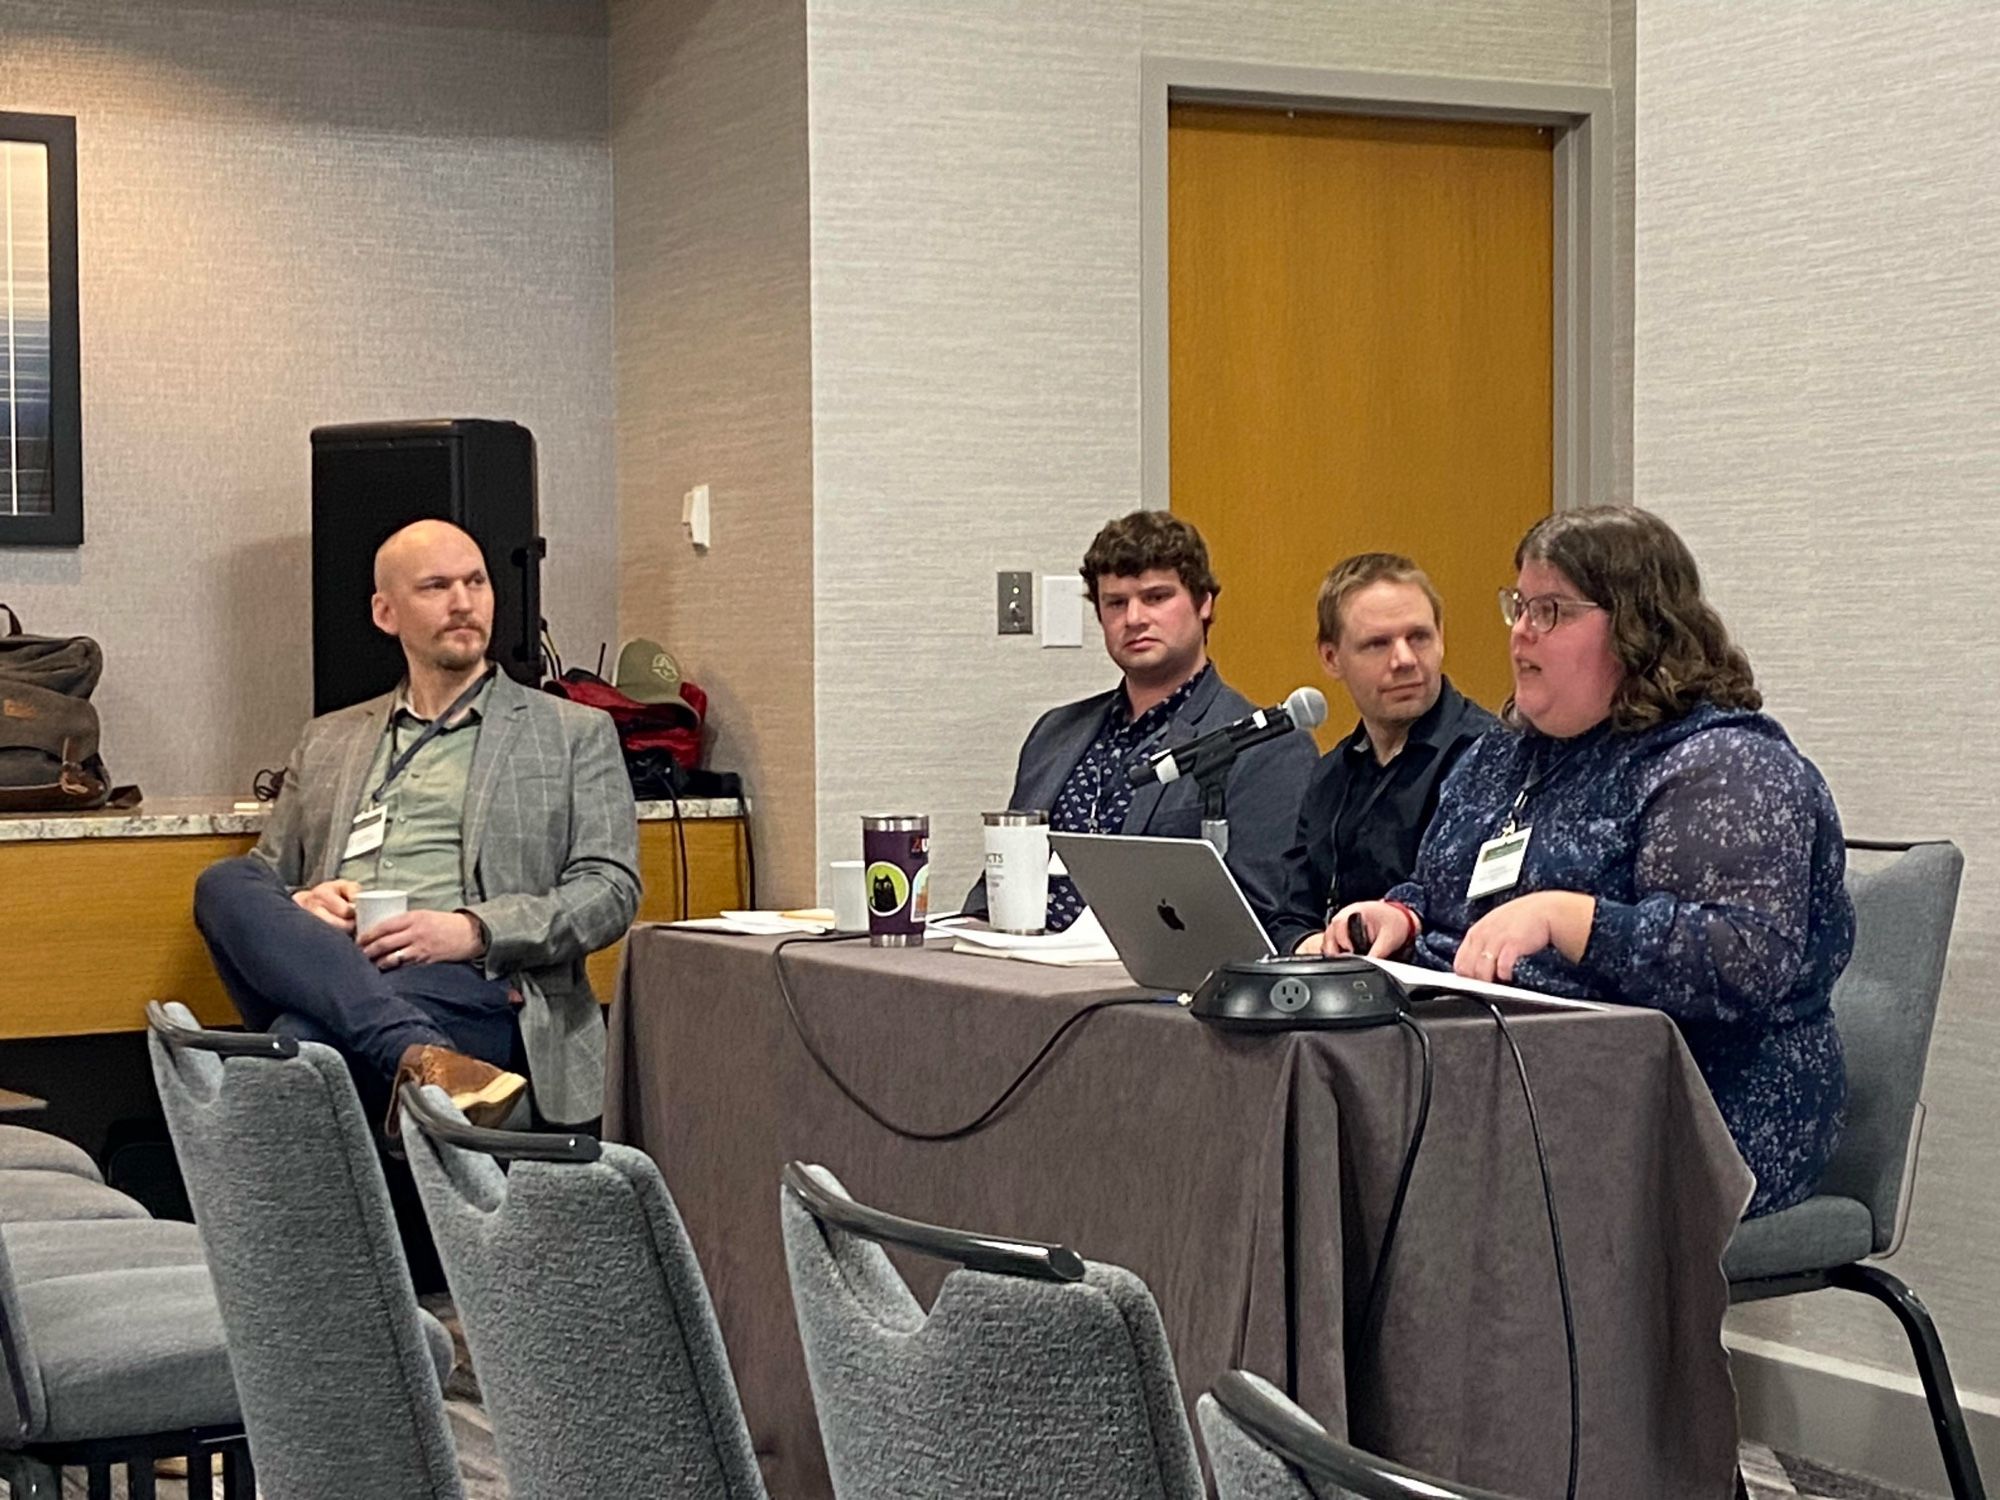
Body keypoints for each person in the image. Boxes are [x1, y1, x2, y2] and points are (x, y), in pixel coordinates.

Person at [1329, 506, 1851, 1217]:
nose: (1521, 632)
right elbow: (1445, 888)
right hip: (1505, 1076)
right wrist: (1398, 914)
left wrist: (1570, 919)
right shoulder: (1503, 756)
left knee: (1388, 1184)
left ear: (1642, 629)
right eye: (1519, 606)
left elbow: (1742, 960)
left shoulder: (1724, 765)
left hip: (1703, 1113)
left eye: (1552, 611)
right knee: (1316, 1130)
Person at [193, 520, 640, 1129]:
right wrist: (305, 901)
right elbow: (267, 881)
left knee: (299, 1044)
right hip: (340, 965)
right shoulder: (328, 738)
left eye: (475, 582)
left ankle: (411, 1061)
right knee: (224, 884)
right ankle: (422, 1058)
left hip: (476, 982)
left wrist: (473, 930)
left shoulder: (571, 733)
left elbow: (610, 891)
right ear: (386, 612)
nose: (463, 602)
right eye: (436, 586)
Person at [965, 511, 1316, 933]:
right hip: (1020, 962)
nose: (1134, 618)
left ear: (1204, 603)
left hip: (1143, 981)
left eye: (1155, 597)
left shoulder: (1264, 747)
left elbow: (1258, 917)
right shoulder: (1053, 733)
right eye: (1116, 603)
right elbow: (997, 885)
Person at [1269, 553, 1494, 955]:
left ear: (1441, 636)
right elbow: (1289, 917)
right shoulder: (1331, 773)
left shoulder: (1487, 756)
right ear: (1331, 658)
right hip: (1334, 988)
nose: (1404, 660)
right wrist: (1315, 947)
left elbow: (1464, 921)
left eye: (1419, 637)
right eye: (1377, 644)